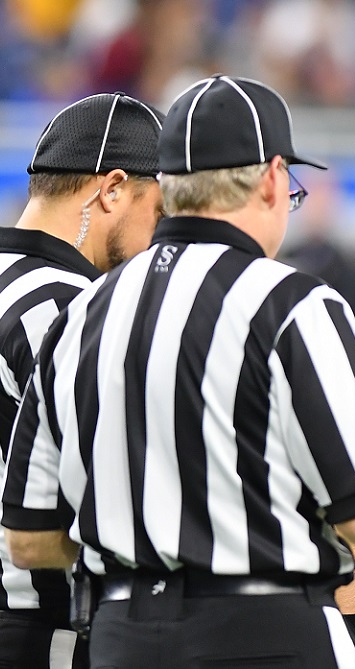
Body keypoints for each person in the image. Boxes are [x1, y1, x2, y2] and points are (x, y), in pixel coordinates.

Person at [1, 74, 355, 669]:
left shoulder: (83, 312)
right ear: (272, 179)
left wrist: (140, 537)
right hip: (263, 633)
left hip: (121, 636)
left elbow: (30, 539)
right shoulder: (293, 302)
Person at [0, 91, 165, 669]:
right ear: (112, 188)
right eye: (159, 211)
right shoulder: (73, 309)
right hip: (39, 629)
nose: (159, 237)